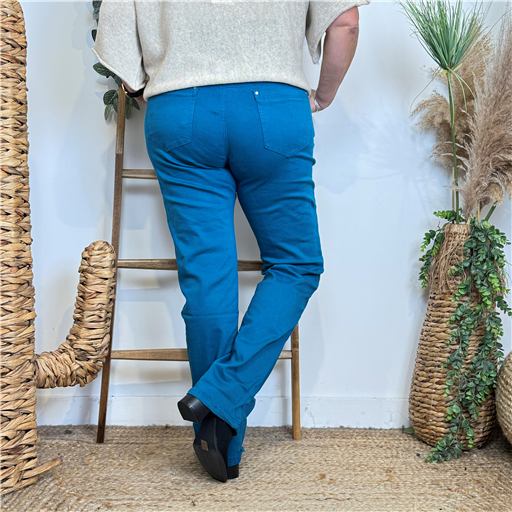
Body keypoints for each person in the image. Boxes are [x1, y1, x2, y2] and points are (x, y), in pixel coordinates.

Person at [92, 0, 370, 483]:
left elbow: (115, 35)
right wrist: (322, 97)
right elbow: (345, 21)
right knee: (296, 263)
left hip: (179, 109)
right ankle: (221, 398)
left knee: (207, 275)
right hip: (273, 107)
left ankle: (218, 437)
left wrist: (146, 89)